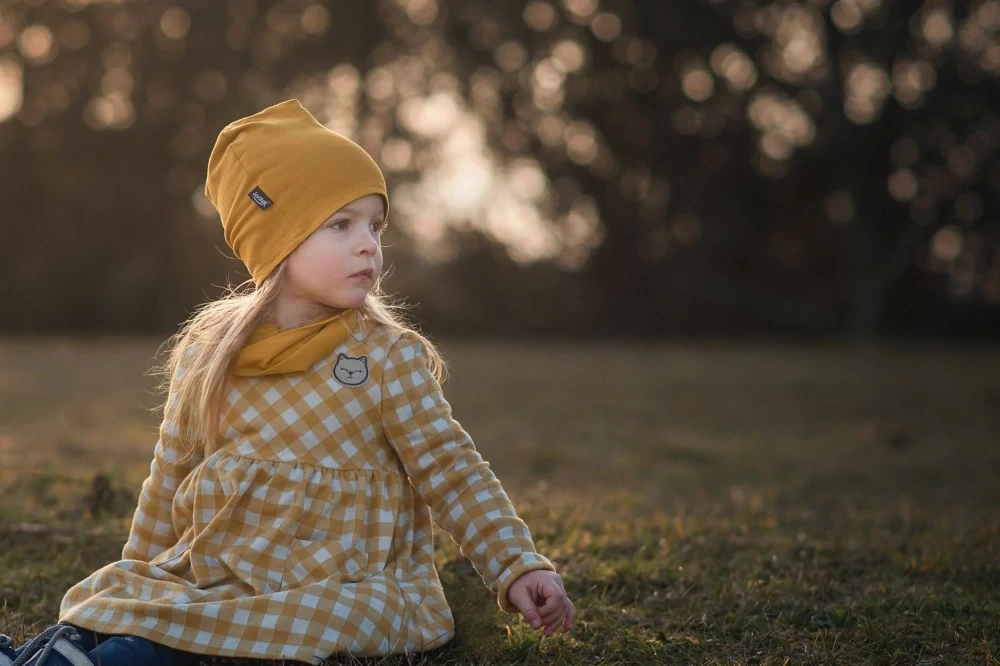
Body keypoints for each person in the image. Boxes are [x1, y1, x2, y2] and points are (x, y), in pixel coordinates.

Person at [2, 99, 573, 666]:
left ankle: (119, 655)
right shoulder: (211, 353)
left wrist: (516, 564)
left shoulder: (385, 357)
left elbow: (451, 468)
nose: (369, 244)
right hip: (223, 573)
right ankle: (71, 651)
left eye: (375, 225)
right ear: (276, 239)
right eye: (340, 224)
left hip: (345, 587)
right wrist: (140, 580)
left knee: (214, 635)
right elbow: (170, 473)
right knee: (123, 602)